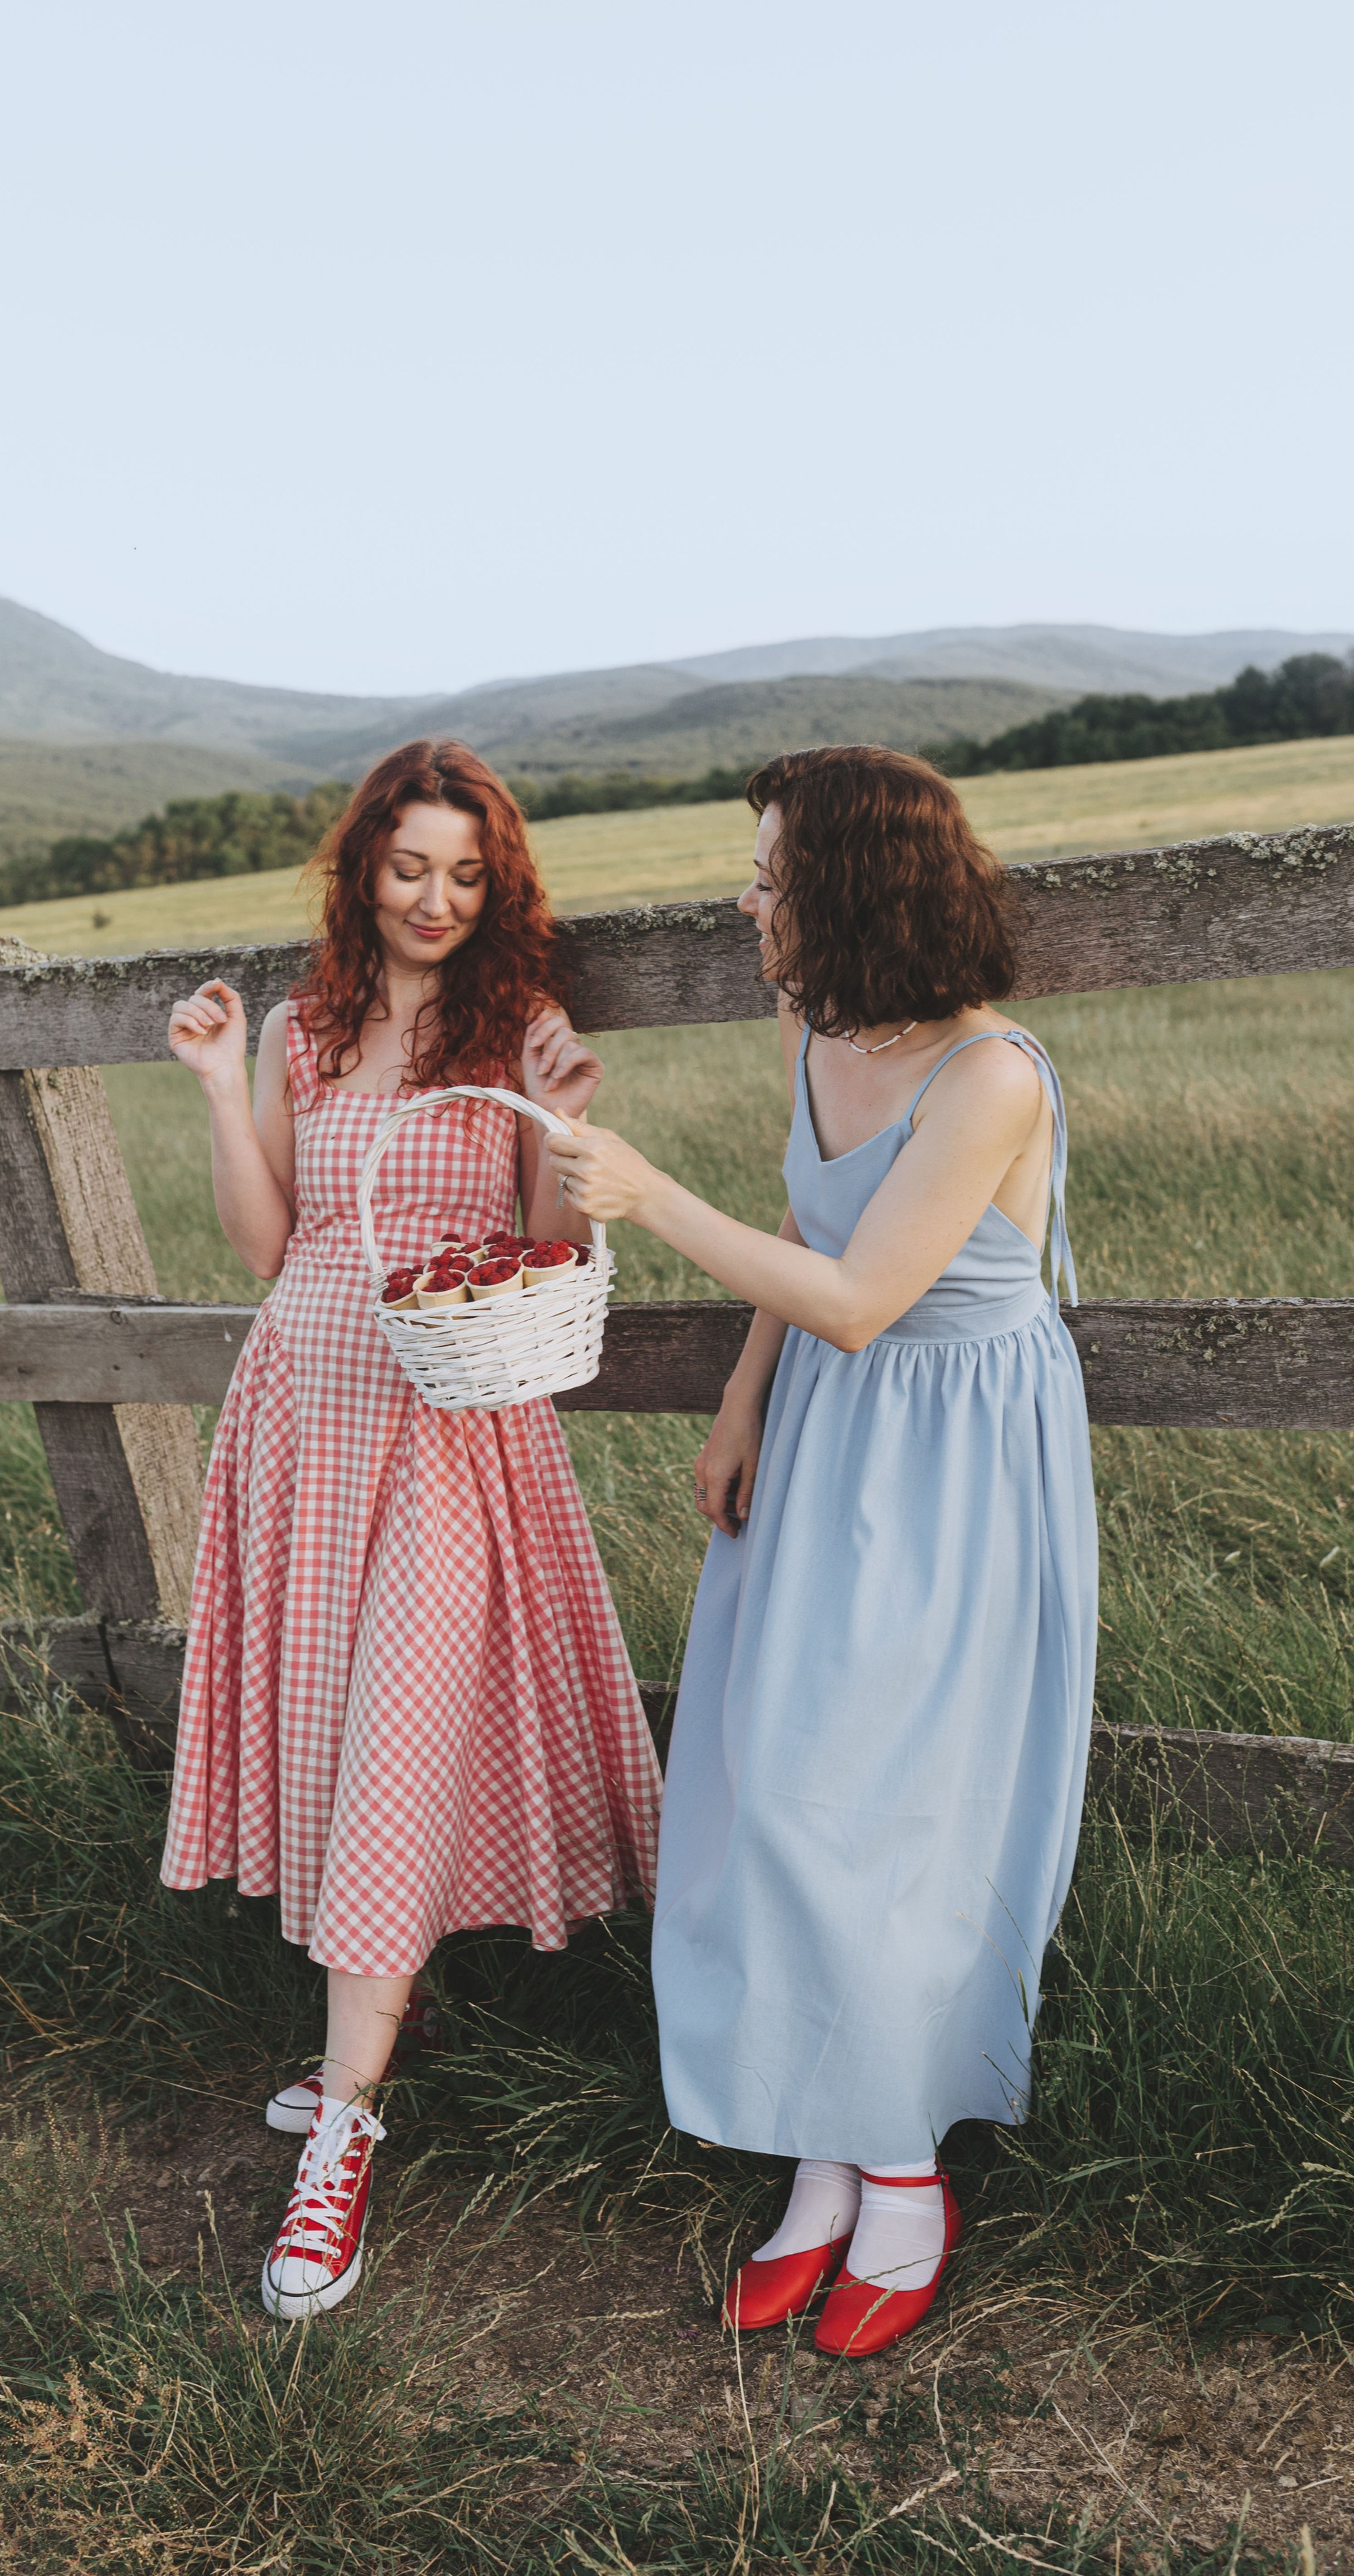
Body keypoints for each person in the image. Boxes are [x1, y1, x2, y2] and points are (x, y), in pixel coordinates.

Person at [547, 745, 1096, 2361]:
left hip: (951, 1457)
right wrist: (737, 1404)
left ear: (853, 887)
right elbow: (805, 1238)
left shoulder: (992, 1077)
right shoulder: (814, 1024)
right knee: (770, 1780)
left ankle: (903, 2171)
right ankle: (818, 2149)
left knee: (889, 1802)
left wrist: (645, 1194)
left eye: (772, 872)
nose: (748, 896)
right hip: (823, 1429)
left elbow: (868, 1299)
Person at [161, 738, 663, 2321]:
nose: (434, 900)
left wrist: (574, 1141)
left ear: (491, 883)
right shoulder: (307, 1027)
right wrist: (214, 1084)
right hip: (301, 1413)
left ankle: (348, 2126)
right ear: (361, 868)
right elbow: (266, 1243)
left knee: (398, 1742)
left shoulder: (515, 1032)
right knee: (333, 1736)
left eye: (464, 873)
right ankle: (379, 2031)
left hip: (447, 1423)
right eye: (407, 867)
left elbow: (545, 1245)